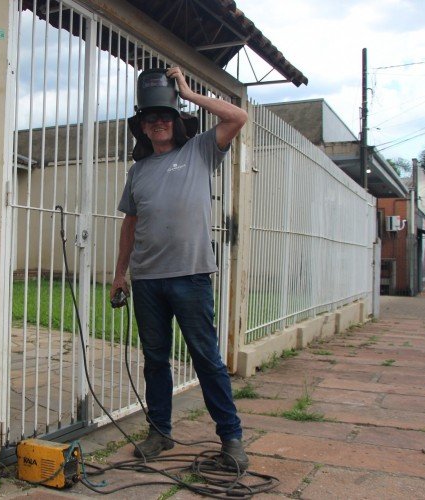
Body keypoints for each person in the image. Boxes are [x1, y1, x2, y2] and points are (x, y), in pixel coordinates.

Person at [110, 66, 249, 470]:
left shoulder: (201, 150)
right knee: (155, 359)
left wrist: (187, 90)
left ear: (176, 120)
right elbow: (130, 225)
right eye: (150, 119)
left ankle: (232, 438)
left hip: (190, 276)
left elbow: (237, 117)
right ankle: (160, 432)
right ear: (143, 127)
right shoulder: (137, 172)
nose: (157, 123)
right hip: (148, 281)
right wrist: (121, 273)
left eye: (164, 116)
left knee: (206, 357)